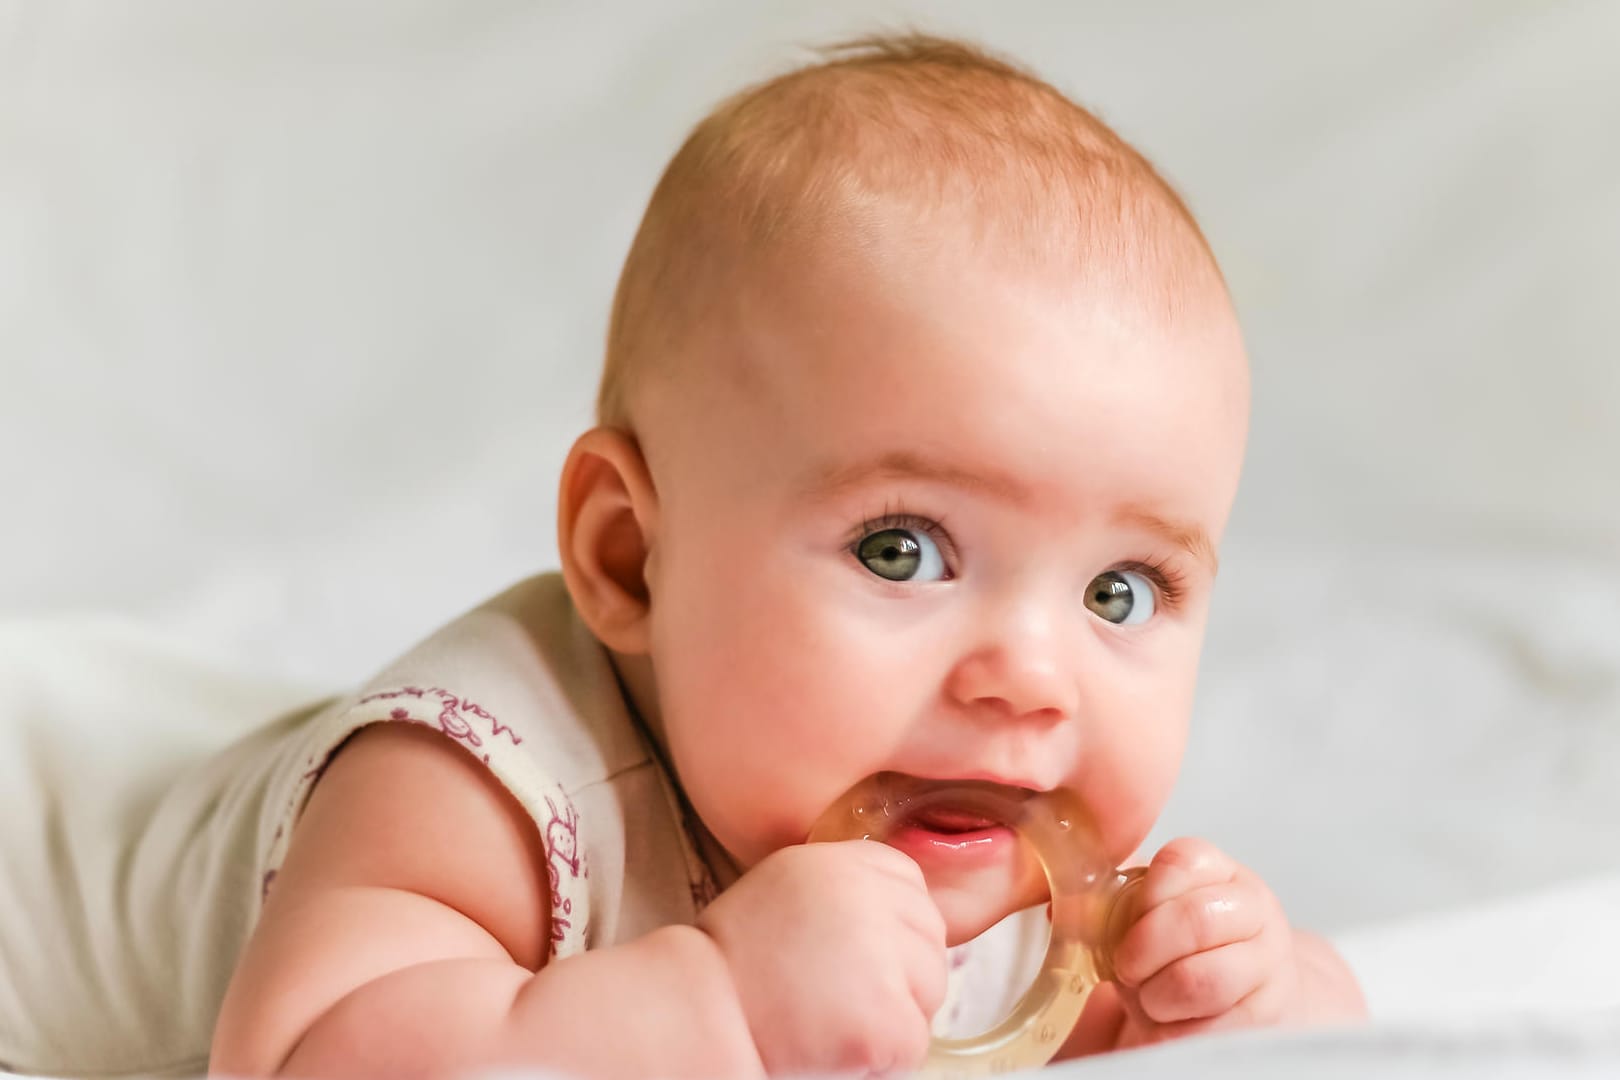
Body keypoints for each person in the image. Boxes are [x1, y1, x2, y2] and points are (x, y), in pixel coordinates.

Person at [0, 33, 1365, 1080]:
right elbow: (310, 1058)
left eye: (1121, 592)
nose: (1031, 677)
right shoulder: (474, 790)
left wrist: (1257, 1002)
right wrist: (716, 998)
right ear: (630, 558)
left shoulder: (978, 827)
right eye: (903, 549)